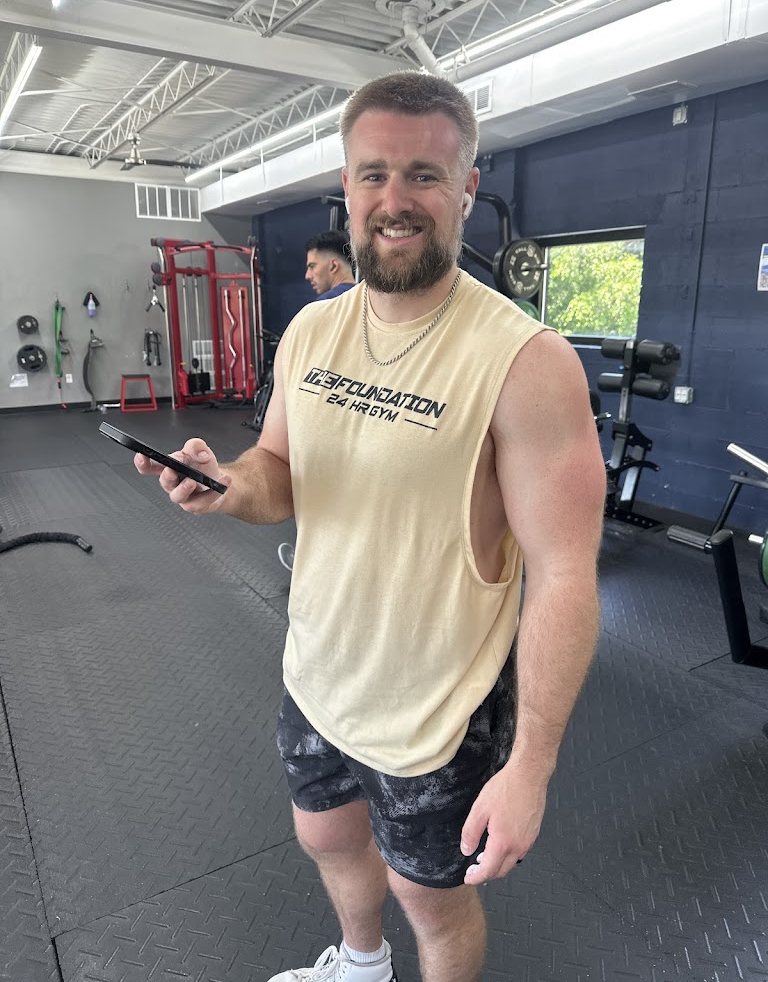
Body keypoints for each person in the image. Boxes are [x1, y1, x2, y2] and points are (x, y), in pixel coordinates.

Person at [135, 70, 606, 982]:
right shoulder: (311, 333)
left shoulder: (526, 361)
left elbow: (564, 573)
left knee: (432, 901)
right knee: (326, 837)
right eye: (374, 174)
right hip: (317, 673)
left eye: (425, 175)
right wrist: (223, 484)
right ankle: (359, 965)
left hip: (437, 712)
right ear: (346, 187)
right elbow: (278, 472)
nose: (396, 200)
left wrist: (531, 767)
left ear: (466, 188)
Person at [278, 230, 357, 573]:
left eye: (313, 266)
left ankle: (313, 562)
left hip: (328, 427)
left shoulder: (318, 313)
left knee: (320, 503)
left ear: (334, 266)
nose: (308, 274)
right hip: (365, 429)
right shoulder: (378, 306)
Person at [305, 229, 356, 300]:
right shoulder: (367, 299)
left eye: (312, 266)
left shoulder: (325, 303)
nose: (307, 276)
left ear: (333, 266)